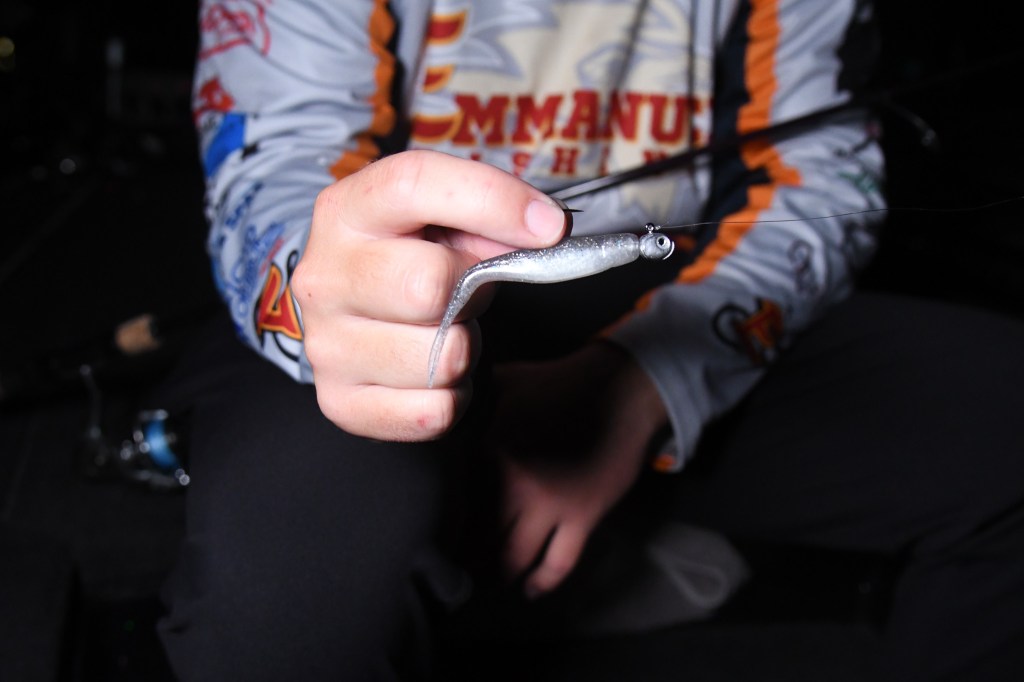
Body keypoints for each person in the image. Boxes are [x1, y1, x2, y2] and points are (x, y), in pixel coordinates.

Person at [156, 0, 1024, 680]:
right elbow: (276, 162)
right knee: (284, 598)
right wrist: (336, 303)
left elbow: (822, 176)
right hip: (383, 301)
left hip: (683, 300)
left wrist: (637, 387)